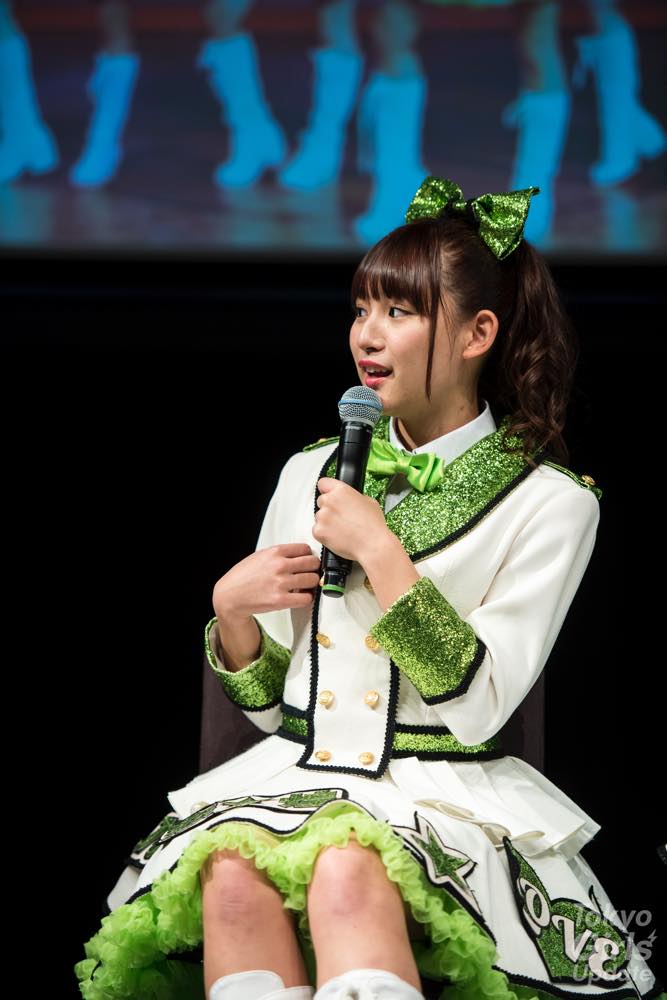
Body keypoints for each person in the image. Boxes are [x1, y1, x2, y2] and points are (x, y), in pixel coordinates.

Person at [74, 176, 665, 1000]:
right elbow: (272, 706)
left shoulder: (551, 502)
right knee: (230, 873)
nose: (368, 335)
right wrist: (232, 612)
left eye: (400, 311)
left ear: (477, 333)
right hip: (293, 774)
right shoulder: (309, 472)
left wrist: (381, 552)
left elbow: (481, 704)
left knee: (346, 871)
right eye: (361, 309)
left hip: (438, 791)